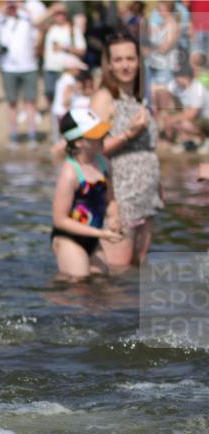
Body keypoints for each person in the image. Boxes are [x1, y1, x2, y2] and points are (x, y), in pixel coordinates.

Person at [90, 32, 162, 267]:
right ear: (109, 64)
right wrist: (128, 134)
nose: (125, 65)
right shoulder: (104, 98)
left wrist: (157, 186)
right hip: (119, 196)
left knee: (138, 271)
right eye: (119, 60)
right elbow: (94, 151)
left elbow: (148, 149)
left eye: (130, 59)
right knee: (117, 275)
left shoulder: (140, 98)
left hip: (146, 196)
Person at [51, 109, 123, 280]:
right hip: (69, 238)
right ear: (77, 142)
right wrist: (101, 234)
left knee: (101, 279)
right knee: (79, 280)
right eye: (95, 134)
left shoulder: (104, 163)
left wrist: (114, 217)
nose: (103, 137)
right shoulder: (70, 173)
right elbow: (59, 220)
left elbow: (110, 199)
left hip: (93, 237)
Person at [0, 0, 45, 145]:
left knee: (30, 102)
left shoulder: (27, 18)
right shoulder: (1, 19)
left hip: (29, 67)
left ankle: (32, 135)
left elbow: (39, 23)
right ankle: (14, 135)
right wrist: (2, 8)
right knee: (12, 103)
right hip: (8, 68)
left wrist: (21, 7)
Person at [42, 4, 86, 118]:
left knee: (66, 100)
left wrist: (65, 47)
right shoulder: (50, 28)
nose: (60, 16)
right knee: (51, 96)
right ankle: (54, 123)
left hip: (66, 71)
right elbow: (36, 23)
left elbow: (82, 50)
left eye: (63, 13)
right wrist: (51, 10)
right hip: (50, 69)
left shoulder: (72, 29)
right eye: (57, 14)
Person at [163, 63, 209, 151]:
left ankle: (204, 140)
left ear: (186, 77)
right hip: (200, 119)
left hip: (206, 120)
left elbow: (192, 114)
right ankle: (186, 142)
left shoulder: (198, 89)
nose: (175, 79)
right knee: (174, 118)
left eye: (177, 76)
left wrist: (172, 120)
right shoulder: (184, 88)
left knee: (182, 122)